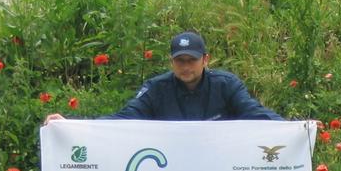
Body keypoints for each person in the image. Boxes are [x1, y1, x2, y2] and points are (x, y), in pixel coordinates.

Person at [44, 31, 283, 124]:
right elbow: (126, 118)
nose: (186, 66)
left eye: (192, 60)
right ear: (171, 62)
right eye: (180, 60)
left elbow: (255, 113)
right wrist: (73, 126)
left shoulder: (227, 85)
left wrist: (295, 129)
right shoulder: (156, 89)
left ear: (206, 59)